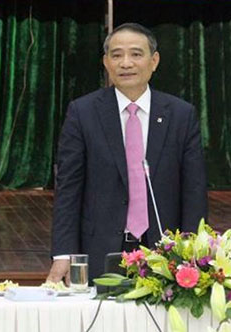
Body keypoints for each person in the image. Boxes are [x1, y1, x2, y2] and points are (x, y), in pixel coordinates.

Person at [47, 23, 208, 282]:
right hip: (100, 250)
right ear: (106, 62)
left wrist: (193, 251)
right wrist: (63, 254)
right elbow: (68, 189)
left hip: (166, 252)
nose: (126, 63)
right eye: (117, 55)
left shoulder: (180, 115)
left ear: (154, 61)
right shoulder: (83, 112)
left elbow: (194, 191)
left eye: (136, 54)